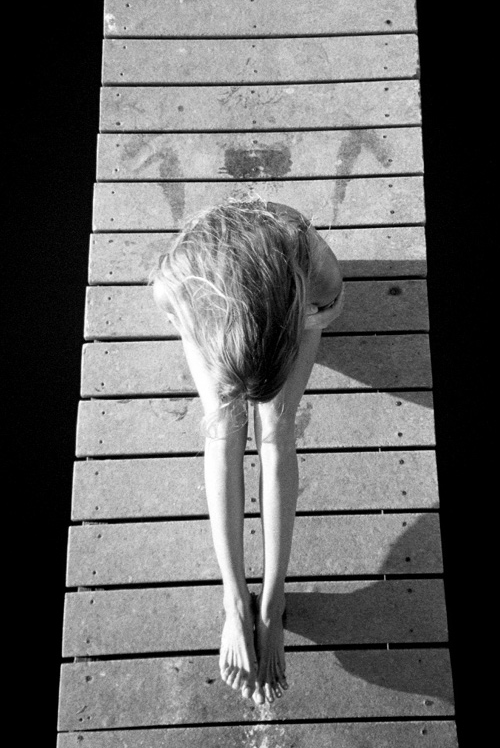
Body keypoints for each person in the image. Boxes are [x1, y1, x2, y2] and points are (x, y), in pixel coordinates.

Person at [151, 198, 345, 705]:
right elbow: (175, 311)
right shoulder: (178, 281)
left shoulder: (317, 270)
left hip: (296, 298)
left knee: (276, 428)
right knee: (223, 427)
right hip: (214, 294)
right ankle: (234, 601)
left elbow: (331, 306)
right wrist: (216, 343)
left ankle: (272, 601)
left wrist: (299, 327)